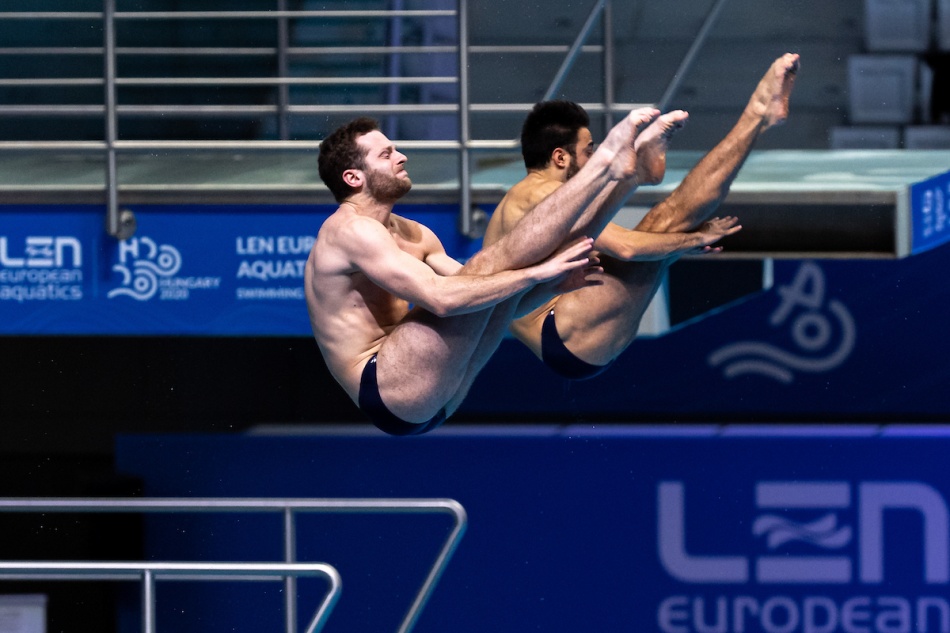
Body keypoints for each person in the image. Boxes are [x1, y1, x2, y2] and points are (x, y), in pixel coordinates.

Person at [305, 106, 670, 435]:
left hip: (437, 394)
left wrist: (550, 285)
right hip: (385, 387)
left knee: (495, 283)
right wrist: (536, 275)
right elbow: (441, 300)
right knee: (488, 266)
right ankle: (605, 166)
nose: (402, 157)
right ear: (354, 178)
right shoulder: (350, 230)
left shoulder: (415, 233)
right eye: (386, 154)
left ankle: (627, 177)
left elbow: (490, 299)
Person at [481, 53, 800, 379]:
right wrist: (694, 240)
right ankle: (756, 115)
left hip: (569, 336)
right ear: (560, 157)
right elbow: (627, 248)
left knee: (666, 227)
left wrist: (680, 243)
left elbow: (603, 233)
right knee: (669, 222)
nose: (594, 157)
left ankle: (648, 169)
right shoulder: (537, 194)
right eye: (589, 149)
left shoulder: (531, 197)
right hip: (563, 331)